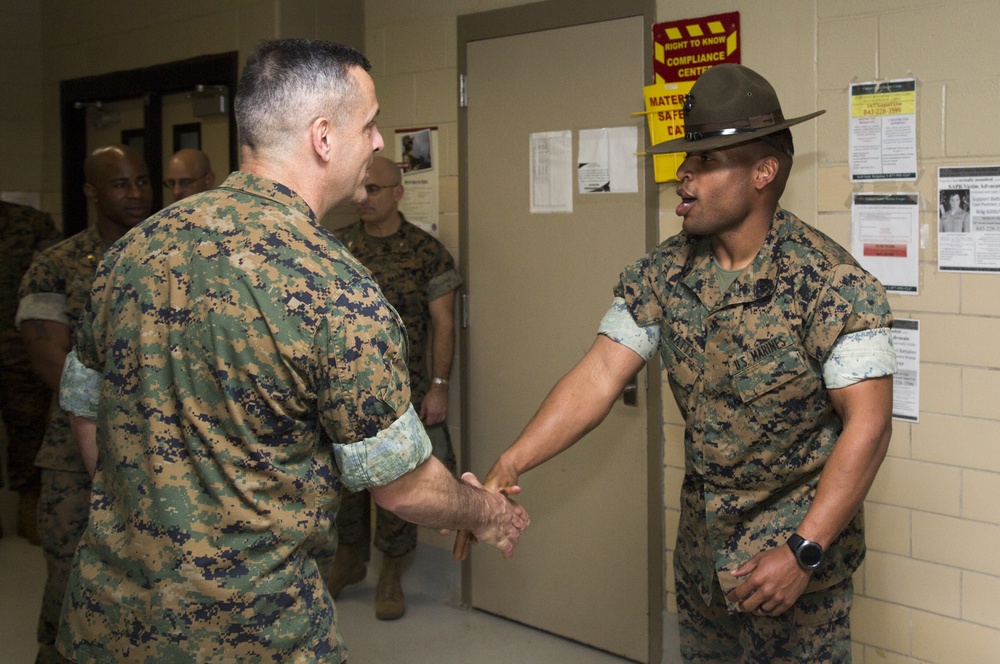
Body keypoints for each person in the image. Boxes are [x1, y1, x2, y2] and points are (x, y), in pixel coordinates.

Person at [55, 39, 527, 663]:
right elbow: (404, 488)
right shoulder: (334, 288)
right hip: (252, 635)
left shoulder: (132, 252)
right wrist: (484, 511)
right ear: (324, 138)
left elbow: (87, 413)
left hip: (108, 624)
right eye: (371, 124)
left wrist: (153, 521)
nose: (381, 141)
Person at [458, 64, 896, 662]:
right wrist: (509, 463)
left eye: (707, 162)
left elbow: (868, 428)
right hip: (703, 559)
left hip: (795, 566)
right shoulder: (663, 273)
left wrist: (803, 551)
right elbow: (597, 377)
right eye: (685, 158)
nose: (682, 176)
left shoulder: (833, 286)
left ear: (764, 172)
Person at [16, 145, 153, 664]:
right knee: (70, 572)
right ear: (92, 192)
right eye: (121, 184)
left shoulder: (168, 256)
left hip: (156, 450)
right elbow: (47, 355)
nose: (137, 194)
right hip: (73, 454)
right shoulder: (56, 264)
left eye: (142, 181)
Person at [327, 155, 462, 620]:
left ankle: (390, 569)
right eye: (360, 190)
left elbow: (444, 325)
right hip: (343, 390)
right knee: (344, 482)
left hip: (402, 391)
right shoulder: (338, 248)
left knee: (397, 482)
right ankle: (348, 559)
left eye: (375, 190)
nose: (364, 199)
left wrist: (439, 386)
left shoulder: (427, 252)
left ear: (398, 192)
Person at [0, 200, 60, 543]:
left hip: (20, 349)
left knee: (28, 427)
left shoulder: (31, 223)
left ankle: (28, 502)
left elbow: (52, 281)